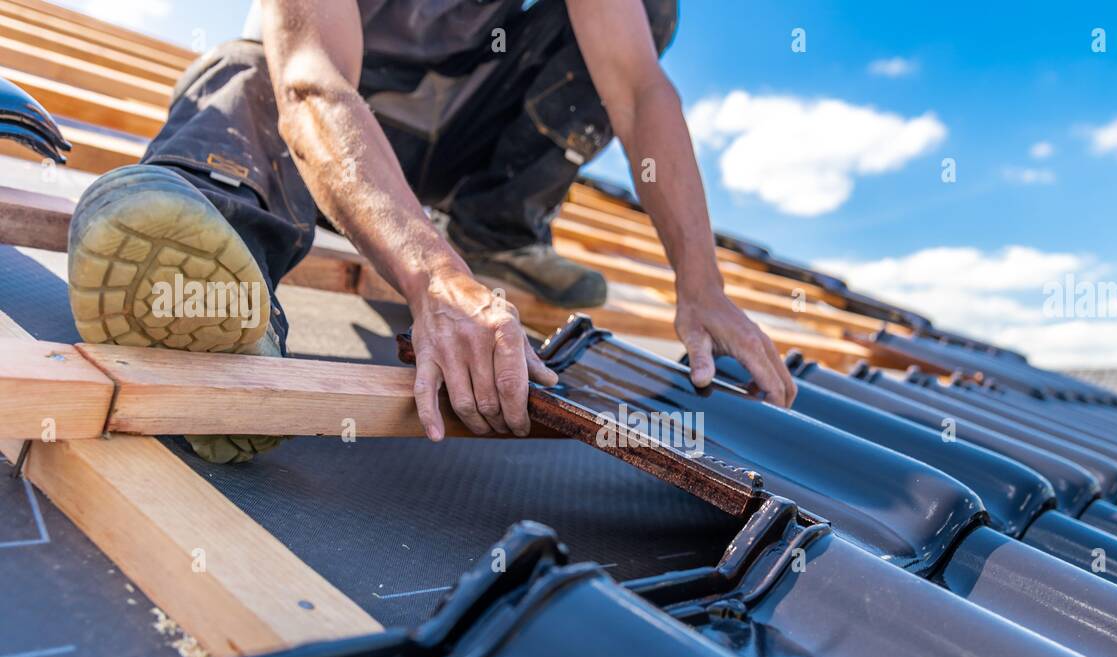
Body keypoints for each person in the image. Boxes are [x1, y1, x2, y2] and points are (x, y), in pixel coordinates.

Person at [66, 0, 796, 463]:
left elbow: (637, 93)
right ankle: (221, 239)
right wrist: (433, 278)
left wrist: (703, 286)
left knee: (648, 13)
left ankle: (494, 233)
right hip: (327, 141)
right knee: (246, 73)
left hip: (447, 144)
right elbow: (313, 87)